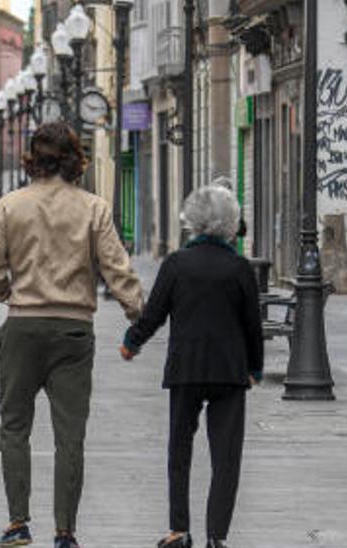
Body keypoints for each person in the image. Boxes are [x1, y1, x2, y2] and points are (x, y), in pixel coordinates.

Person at [0, 123, 143, 548]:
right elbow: (116, 267)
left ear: (32, 158)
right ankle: (65, 532)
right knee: (71, 434)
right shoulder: (93, 208)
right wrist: (137, 312)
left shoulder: (9, 206)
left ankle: (18, 523)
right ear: (74, 159)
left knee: (15, 426)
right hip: (73, 330)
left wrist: (6, 293)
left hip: (24, 326)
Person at [120, 186, 263, 548]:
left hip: (186, 369)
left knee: (179, 452)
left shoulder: (176, 264)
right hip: (230, 373)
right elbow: (252, 325)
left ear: (192, 221)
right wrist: (255, 369)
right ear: (231, 222)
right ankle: (218, 536)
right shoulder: (239, 268)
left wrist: (132, 342)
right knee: (226, 458)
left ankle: (179, 530)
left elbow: (154, 313)